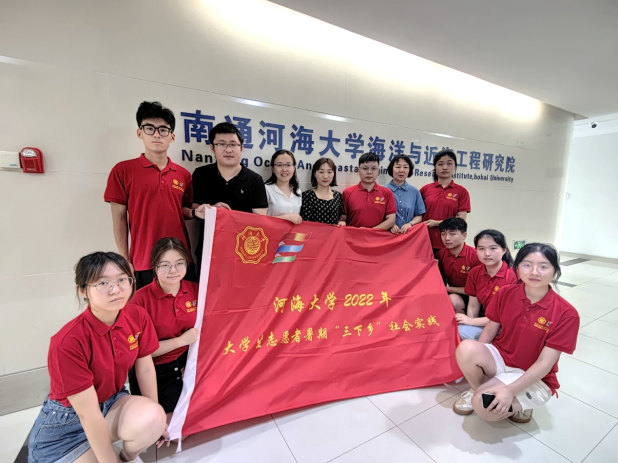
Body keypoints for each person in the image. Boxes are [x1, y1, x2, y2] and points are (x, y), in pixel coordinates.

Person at [28, 252, 166, 463]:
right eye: (103, 283)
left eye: (122, 279)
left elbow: (146, 368)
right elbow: (88, 414)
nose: (116, 289)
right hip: (67, 425)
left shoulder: (137, 316)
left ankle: (125, 458)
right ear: (83, 290)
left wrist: (157, 424)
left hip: (111, 403)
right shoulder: (67, 342)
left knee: (153, 418)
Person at [453, 243, 580, 424]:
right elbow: (490, 329)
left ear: (555, 271)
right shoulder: (506, 293)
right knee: (466, 349)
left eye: (543, 266)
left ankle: (517, 399)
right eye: (527, 265)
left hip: (535, 375)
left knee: (484, 408)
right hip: (501, 360)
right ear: (517, 268)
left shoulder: (567, 313)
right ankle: (479, 389)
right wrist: (479, 358)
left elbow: (545, 363)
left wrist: (509, 390)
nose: (534, 272)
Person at [104, 101, 196, 290]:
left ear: (172, 136)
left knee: (186, 306)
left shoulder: (184, 175)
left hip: (181, 260)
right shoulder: (123, 170)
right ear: (140, 133)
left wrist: (198, 211)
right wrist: (124, 259)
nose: (156, 134)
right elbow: (119, 218)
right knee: (146, 308)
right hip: (144, 260)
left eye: (163, 129)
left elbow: (183, 211)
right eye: (150, 128)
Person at [128, 238, 199, 413]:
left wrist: (193, 364)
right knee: (167, 422)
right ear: (155, 266)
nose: (173, 270)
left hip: (188, 363)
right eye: (165, 265)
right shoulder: (139, 301)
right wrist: (181, 341)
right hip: (155, 371)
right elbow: (137, 352)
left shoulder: (197, 290)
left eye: (179, 263)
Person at [191, 122, 268, 267]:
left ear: (241, 148)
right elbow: (194, 209)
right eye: (221, 144)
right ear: (212, 148)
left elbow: (260, 220)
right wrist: (210, 211)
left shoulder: (254, 180)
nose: (228, 149)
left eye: (233, 144)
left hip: (244, 253)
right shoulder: (201, 174)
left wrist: (229, 216)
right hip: (209, 250)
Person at [457, 230, 518, 340]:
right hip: (487, 324)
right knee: (459, 330)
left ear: (504, 250)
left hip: (507, 328)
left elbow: (505, 316)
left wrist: (472, 321)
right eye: (481, 249)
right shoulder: (475, 273)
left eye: (493, 248)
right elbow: (473, 305)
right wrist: (469, 323)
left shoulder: (514, 276)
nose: (487, 254)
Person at [420, 149, 471, 253]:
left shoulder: (461, 191)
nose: (444, 167)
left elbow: (461, 221)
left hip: (449, 243)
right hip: (425, 241)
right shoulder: (425, 189)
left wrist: (437, 223)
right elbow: (417, 215)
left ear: (455, 167)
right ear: (435, 167)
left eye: (449, 164)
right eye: (440, 164)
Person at [340, 152, 396, 229]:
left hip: (377, 236)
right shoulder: (347, 192)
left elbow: (391, 220)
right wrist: (341, 222)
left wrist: (370, 231)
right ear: (358, 170)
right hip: (353, 236)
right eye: (365, 168)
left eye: (374, 168)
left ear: (378, 171)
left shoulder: (387, 193)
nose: (369, 172)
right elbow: (343, 219)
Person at [436, 217, 481, 313]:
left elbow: (477, 289)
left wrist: (449, 289)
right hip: (456, 295)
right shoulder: (440, 255)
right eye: (443, 234)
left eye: (452, 234)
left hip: (476, 296)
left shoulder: (476, 256)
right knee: (452, 300)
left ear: (464, 235)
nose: (447, 238)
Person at [385, 155, 426, 235]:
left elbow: (419, 215)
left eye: (405, 167)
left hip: (408, 235)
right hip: (387, 234)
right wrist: (390, 224)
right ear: (391, 169)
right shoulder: (383, 190)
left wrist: (410, 224)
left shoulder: (415, 191)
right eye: (398, 167)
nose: (402, 170)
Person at [300, 157, 344, 225]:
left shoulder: (338, 196)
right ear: (314, 174)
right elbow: (304, 223)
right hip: (312, 232)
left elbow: (339, 219)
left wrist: (341, 223)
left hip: (333, 232)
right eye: (321, 172)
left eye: (329, 172)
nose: (325, 176)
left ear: (333, 174)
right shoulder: (307, 196)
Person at [264, 149, 302, 224]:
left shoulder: (297, 191)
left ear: (294, 168)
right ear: (273, 168)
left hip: (292, 231)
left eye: (288, 165)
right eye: (279, 165)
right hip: (271, 231)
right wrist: (286, 217)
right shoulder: (266, 189)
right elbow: (260, 219)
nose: (284, 169)